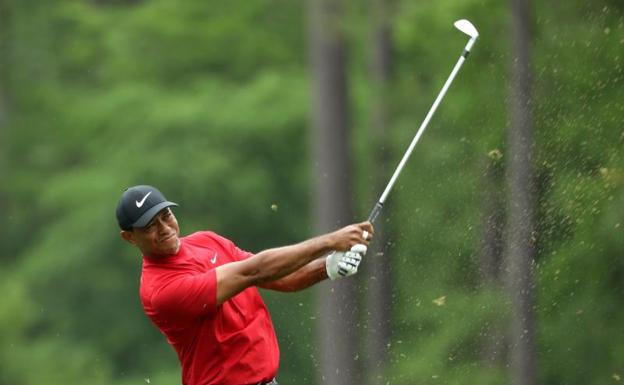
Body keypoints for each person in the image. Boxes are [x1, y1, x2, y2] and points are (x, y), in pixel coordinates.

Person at [116, 185, 374, 385]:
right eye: (151, 226)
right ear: (129, 237)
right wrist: (331, 241)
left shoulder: (206, 241)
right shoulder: (161, 291)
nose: (165, 228)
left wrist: (329, 266)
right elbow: (253, 271)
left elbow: (277, 277)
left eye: (166, 216)